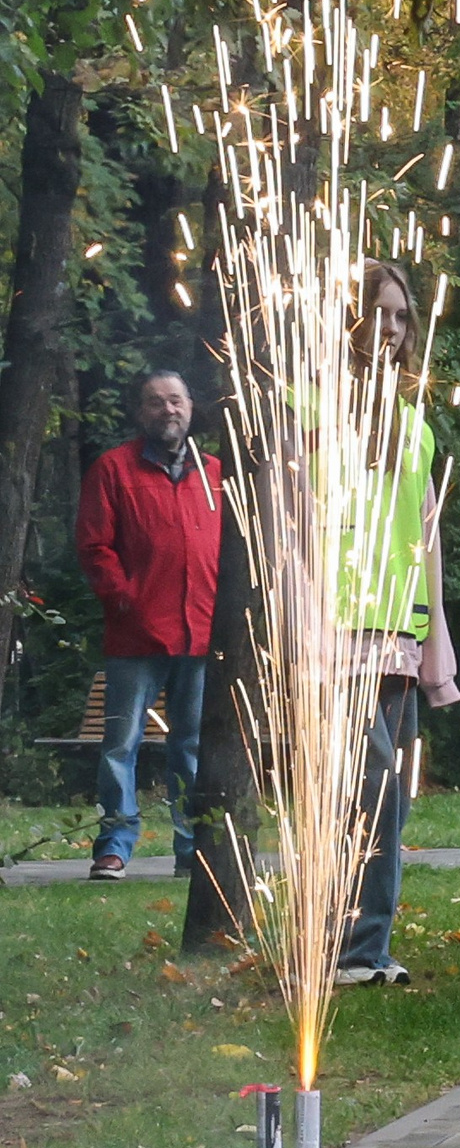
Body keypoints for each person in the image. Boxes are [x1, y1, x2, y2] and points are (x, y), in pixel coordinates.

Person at [337, 262, 460, 987]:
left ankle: (367, 947)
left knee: (391, 796)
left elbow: (426, 530)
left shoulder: (413, 423)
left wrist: (432, 634)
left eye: (399, 316)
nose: (387, 329)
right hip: (335, 631)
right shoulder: (308, 400)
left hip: (397, 632)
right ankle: (352, 947)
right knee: (366, 788)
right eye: (374, 313)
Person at [75, 369, 222, 882]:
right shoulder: (114, 470)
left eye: (175, 400)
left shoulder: (215, 474)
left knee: (191, 746)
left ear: (190, 406)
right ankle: (115, 844)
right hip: (135, 635)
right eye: (156, 403)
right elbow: (94, 546)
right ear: (141, 413)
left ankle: (192, 848)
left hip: (200, 632)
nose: (168, 410)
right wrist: (124, 600)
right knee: (121, 744)